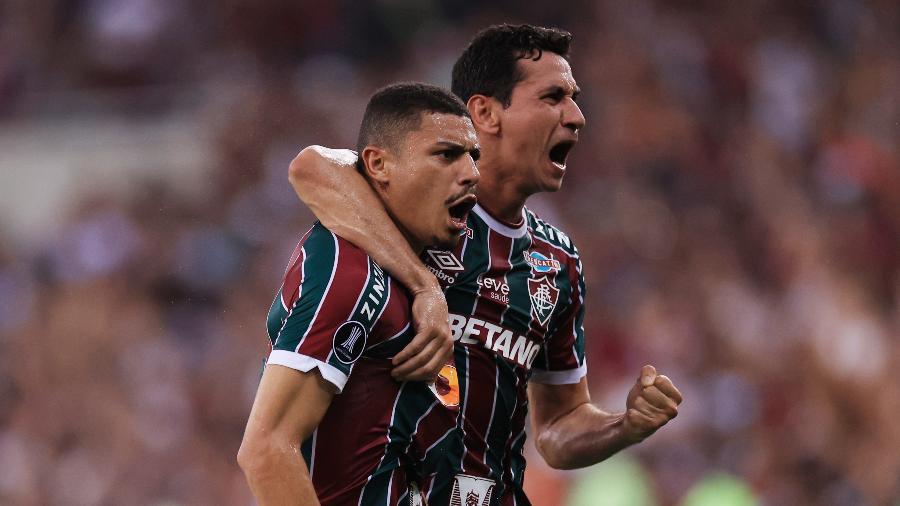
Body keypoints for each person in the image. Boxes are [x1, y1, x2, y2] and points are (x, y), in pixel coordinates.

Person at [290, 24, 684, 505]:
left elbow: (558, 427)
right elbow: (312, 168)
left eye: (574, 98)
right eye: (553, 97)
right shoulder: (411, 205)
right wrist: (424, 285)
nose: (577, 117)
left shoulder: (557, 261)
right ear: (485, 113)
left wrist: (625, 426)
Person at [238, 82, 480, 505]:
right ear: (379, 165)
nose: (471, 172)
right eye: (446, 155)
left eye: (472, 156)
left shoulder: (440, 249)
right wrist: (425, 286)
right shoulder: (348, 272)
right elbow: (266, 450)